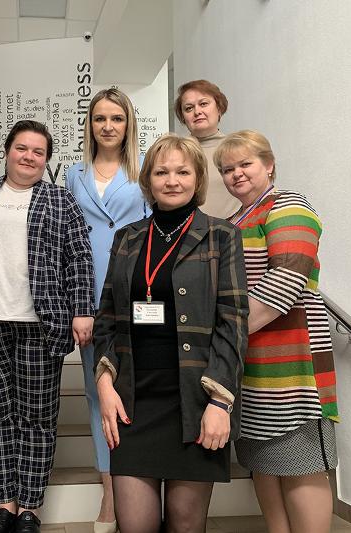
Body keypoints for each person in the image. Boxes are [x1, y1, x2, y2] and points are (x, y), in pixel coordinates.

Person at [93, 134, 248, 533]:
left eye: (183, 172)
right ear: (148, 179)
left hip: (195, 401)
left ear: (198, 178)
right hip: (133, 400)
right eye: (162, 172)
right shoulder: (127, 237)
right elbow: (106, 317)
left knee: (185, 525)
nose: (172, 180)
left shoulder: (222, 235)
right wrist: (105, 384)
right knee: (135, 525)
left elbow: (233, 323)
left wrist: (220, 402)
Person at [0, 120, 95, 533]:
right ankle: (4, 504)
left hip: (41, 323)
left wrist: (82, 309)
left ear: (47, 160)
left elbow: (79, 257)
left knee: (37, 417)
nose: (29, 157)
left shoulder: (60, 200)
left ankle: (30, 509)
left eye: (38, 152)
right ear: (7, 152)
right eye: (22, 148)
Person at [214, 130, 339, 533]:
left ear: (269, 165)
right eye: (227, 169)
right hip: (249, 362)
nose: (236, 174)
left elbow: (286, 279)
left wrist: (228, 333)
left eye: (245, 164)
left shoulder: (288, 206)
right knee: (262, 461)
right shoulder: (233, 221)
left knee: (300, 462)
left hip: (292, 360)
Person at [64, 88, 146, 533]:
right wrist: (77, 303)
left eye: (117, 118)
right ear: (90, 125)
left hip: (136, 292)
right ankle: (110, 492)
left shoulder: (144, 168)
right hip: (89, 298)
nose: (108, 126)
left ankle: (142, 482)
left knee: (139, 389)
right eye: (100, 118)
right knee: (99, 393)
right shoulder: (73, 174)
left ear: (128, 123)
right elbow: (69, 240)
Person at [174, 79, 240, 218]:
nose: (197, 111)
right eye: (189, 108)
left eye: (203, 104)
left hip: (234, 228)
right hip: (186, 229)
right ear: (183, 117)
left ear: (219, 108)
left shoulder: (239, 147)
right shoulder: (175, 152)